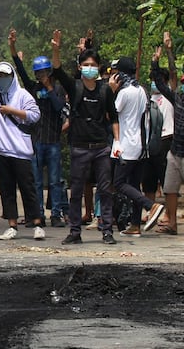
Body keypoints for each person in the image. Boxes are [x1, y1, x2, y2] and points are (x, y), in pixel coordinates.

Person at [0, 41, 45, 241]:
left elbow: (34, 115)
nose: (3, 80)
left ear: (12, 77)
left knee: (28, 188)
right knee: (7, 190)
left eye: (6, 76)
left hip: (20, 151)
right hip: (2, 151)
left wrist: (12, 111)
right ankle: (12, 224)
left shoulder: (22, 95)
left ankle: (37, 223)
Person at [51, 29, 118, 245]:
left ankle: (107, 230)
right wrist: (56, 49)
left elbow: (114, 117)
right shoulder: (75, 86)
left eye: (93, 65)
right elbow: (58, 70)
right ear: (80, 67)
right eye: (85, 65)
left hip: (101, 147)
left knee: (105, 190)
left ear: (98, 68)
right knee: (76, 191)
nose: (89, 68)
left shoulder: (105, 90)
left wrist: (117, 142)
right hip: (79, 146)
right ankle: (75, 231)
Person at [8, 29, 66, 228]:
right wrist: (13, 50)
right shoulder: (32, 89)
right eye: (38, 73)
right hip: (35, 141)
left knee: (55, 181)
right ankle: (38, 214)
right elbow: (20, 71)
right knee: (36, 182)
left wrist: (49, 88)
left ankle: (56, 214)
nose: (41, 76)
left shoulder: (58, 88)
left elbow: (59, 108)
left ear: (50, 72)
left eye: (44, 72)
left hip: (53, 141)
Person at [108, 57, 166, 236]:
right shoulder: (141, 90)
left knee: (119, 183)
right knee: (133, 183)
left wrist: (112, 91)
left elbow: (111, 114)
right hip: (141, 144)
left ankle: (151, 206)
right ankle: (135, 225)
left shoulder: (125, 93)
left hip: (126, 145)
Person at [143, 34, 175, 228]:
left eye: (158, 80)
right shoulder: (147, 98)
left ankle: (169, 216)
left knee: (166, 182)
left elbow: (172, 74)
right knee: (148, 180)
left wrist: (167, 52)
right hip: (149, 142)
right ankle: (151, 211)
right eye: (153, 79)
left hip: (166, 141)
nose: (155, 83)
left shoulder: (169, 96)